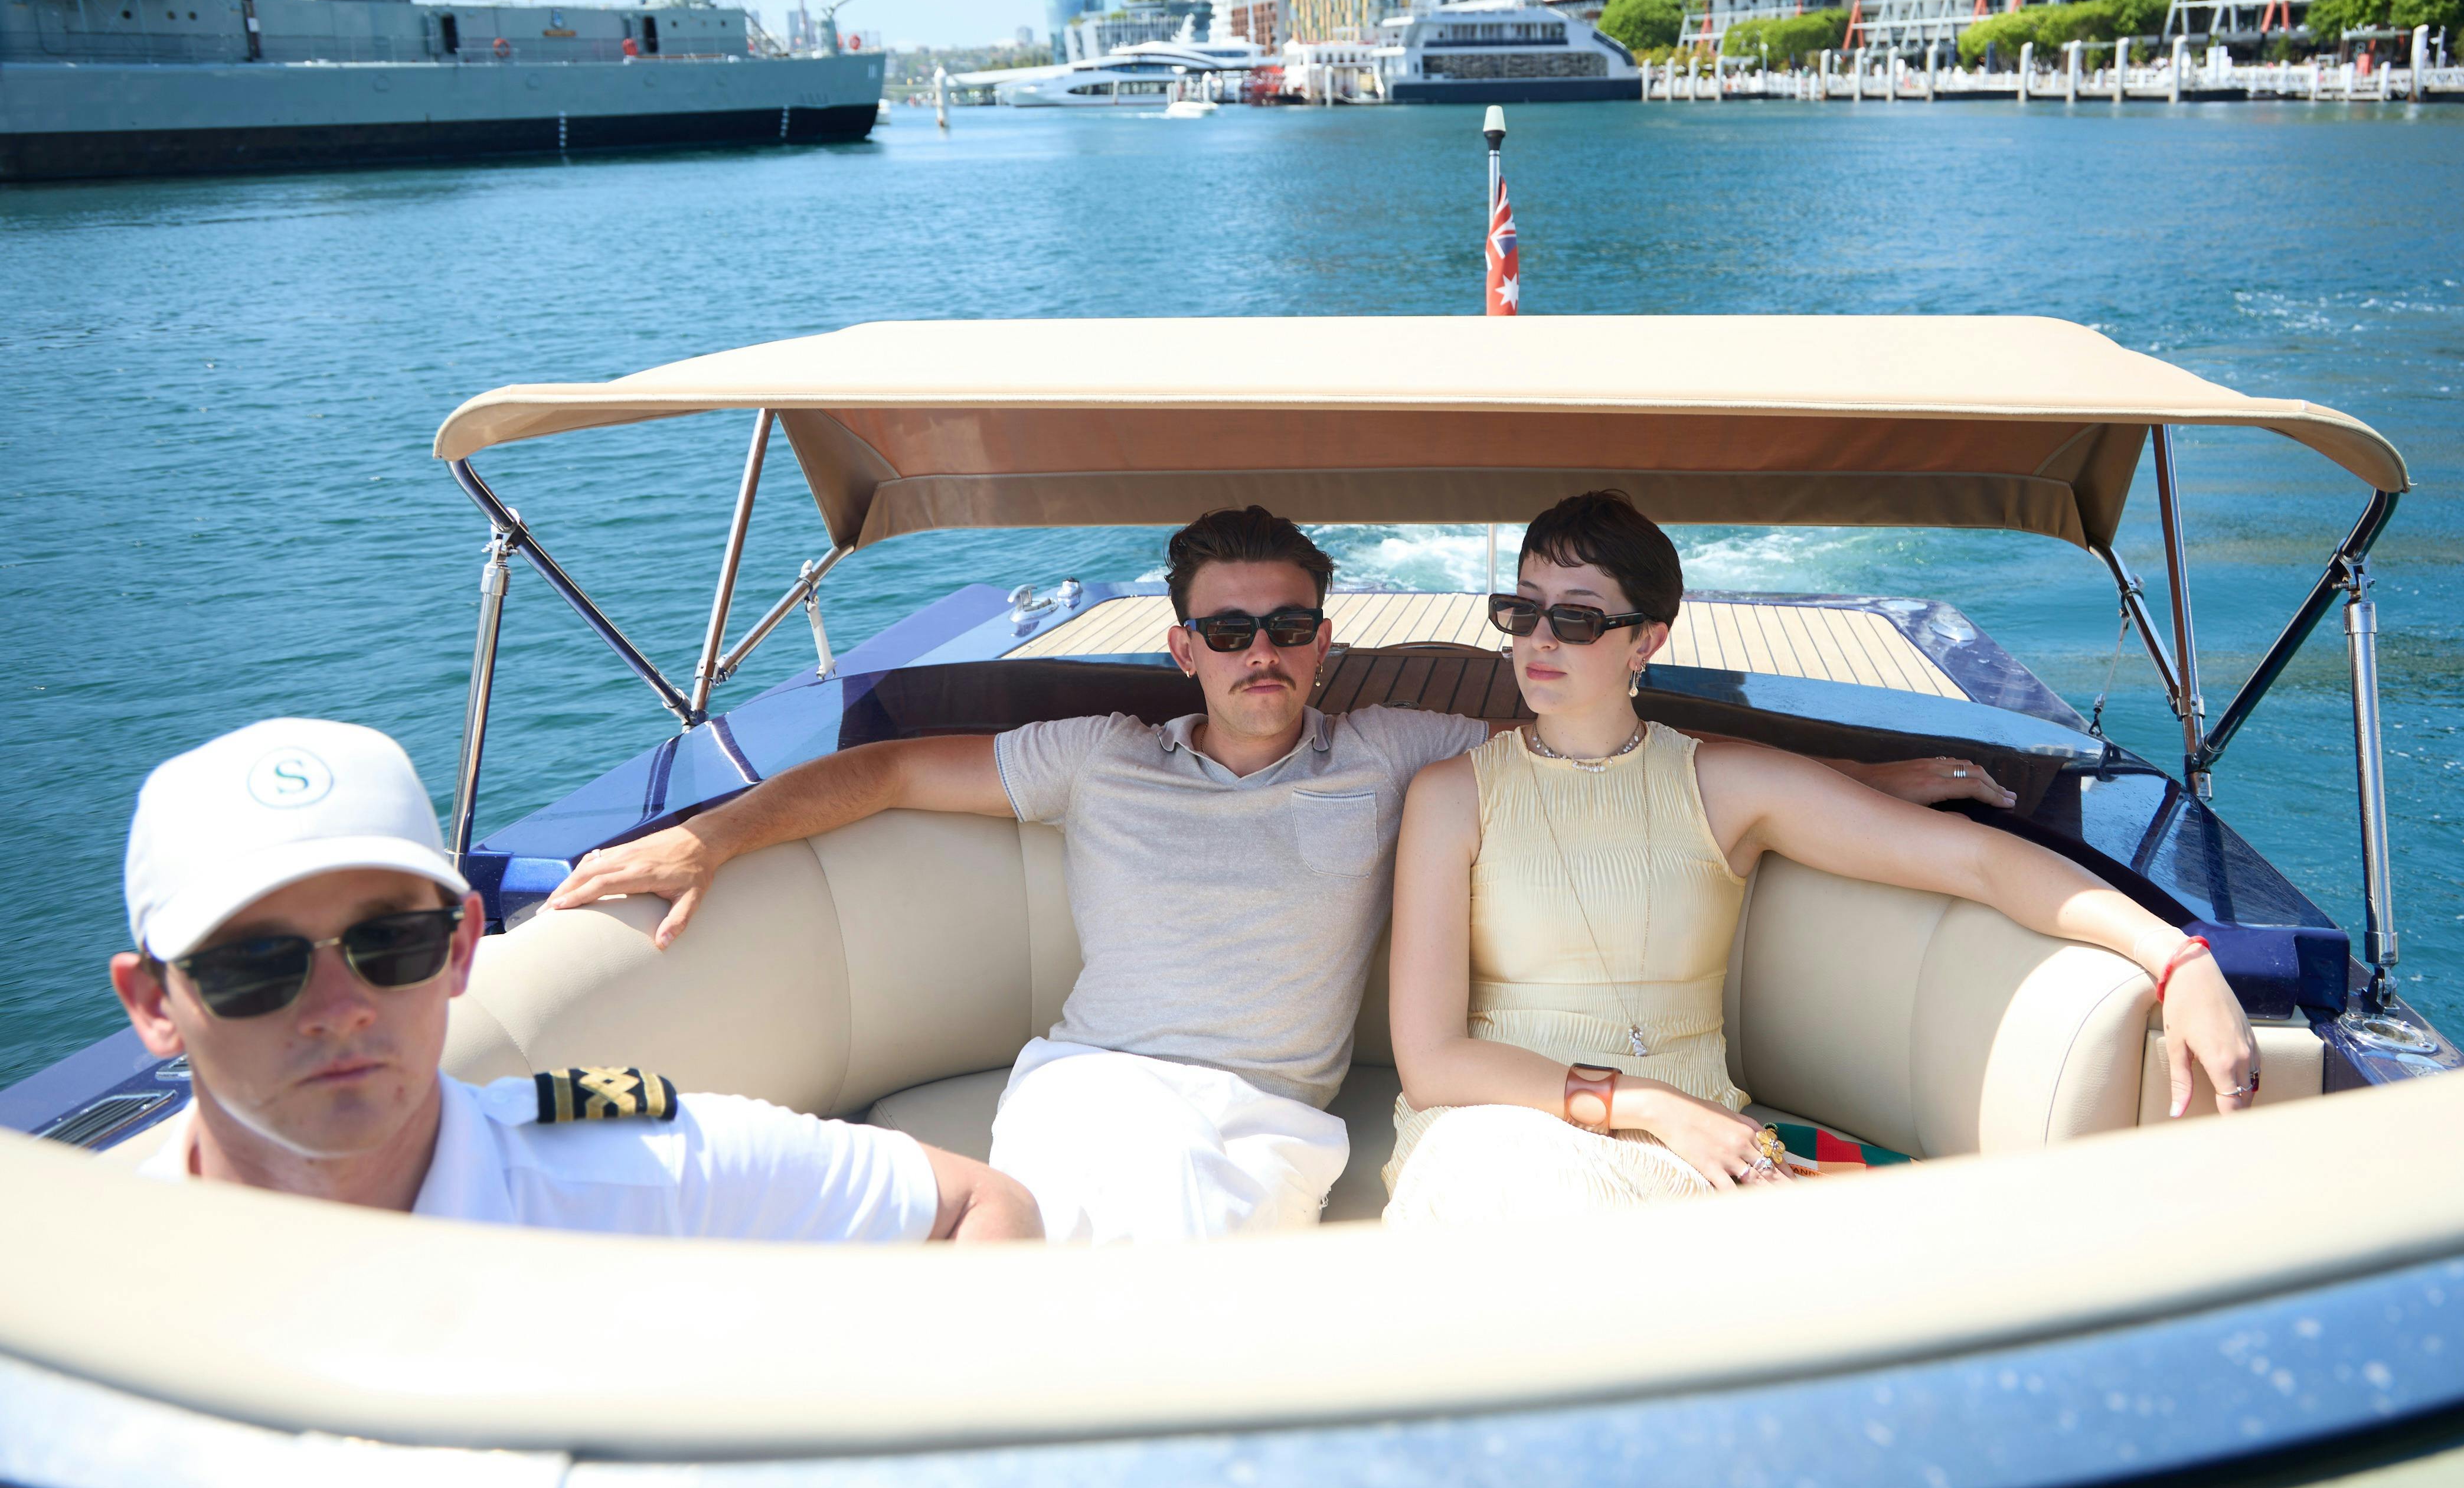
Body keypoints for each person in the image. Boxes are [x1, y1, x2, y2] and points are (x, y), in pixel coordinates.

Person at [550, 507, 2001, 1245]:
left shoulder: (1398, 753)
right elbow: (875, 774)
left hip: (1263, 1113)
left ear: (1327, 637)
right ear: (1180, 644)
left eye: (1289, 627)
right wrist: (707, 836)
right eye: (1228, 631)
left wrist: (1860, 787)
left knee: (1147, 1253)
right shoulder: (1097, 757)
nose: (1263, 656)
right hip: (1097, 1076)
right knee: (1079, 1225)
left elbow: (1610, 735)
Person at [1381, 490, 2262, 1225]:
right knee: (1501, 1185)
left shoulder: (1725, 785)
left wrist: (2176, 959)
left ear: (1647, 639)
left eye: (1574, 618)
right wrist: (1647, 1105)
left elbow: (1981, 866)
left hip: (1696, 1154)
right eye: (1521, 611)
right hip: (1487, 1134)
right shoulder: (1453, 795)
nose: (1538, 638)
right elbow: (1433, 1062)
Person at [109, 717, 1037, 1242]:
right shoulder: (81, 1289)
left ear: (463, 947)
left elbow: (980, 1204)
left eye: (391, 944)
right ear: (153, 1005)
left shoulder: (637, 1172)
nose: (342, 1012)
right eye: (253, 968)